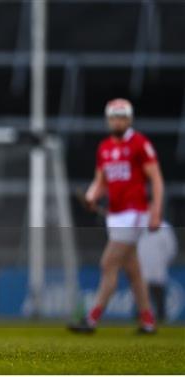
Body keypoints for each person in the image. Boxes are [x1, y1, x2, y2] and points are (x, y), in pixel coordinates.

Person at [69, 98, 164, 334]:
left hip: (135, 214)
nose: (117, 121)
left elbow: (156, 179)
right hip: (115, 215)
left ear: (129, 119)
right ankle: (148, 320)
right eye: (114, 117)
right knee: (134, 271)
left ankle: (91, 319)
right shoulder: (104, 148)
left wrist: (155, 212)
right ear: (108, 119)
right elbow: (101, 182)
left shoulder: (140, 144)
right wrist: (92, 196)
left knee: (108, 263)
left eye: (122, 117)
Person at [137, 221, 178, 321]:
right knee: (140, 298)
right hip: (141, 269)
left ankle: (161, 319)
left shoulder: (165, 228)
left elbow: (171, 249)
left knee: (158, 297)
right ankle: (141, 320)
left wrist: (163, 262)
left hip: (158, 269)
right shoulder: (139, 225)